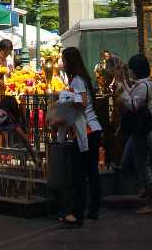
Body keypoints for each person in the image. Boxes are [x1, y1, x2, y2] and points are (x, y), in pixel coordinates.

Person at [59, 46, 103, 228]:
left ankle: (77, 214)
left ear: (70, 61)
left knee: (78, 173)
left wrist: (65, 98)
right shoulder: (83, 78)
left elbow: (83, 102)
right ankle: (93, 209)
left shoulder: (77, 80)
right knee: (92, 172)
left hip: (86, 132)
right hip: (94, 129)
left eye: (64, 60)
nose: (62, 63)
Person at [115, 53, 152, 214]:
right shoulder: (142, 84)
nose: (130, 72)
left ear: (136, 70)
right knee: (128, 161)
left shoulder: (143, 86)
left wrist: (122, 91)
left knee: (143, 164)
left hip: (142, 131)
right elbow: (132, 92)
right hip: (137, 131)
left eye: (131, 69)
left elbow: (133, 105)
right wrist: (123, 82)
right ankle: (144, 186)